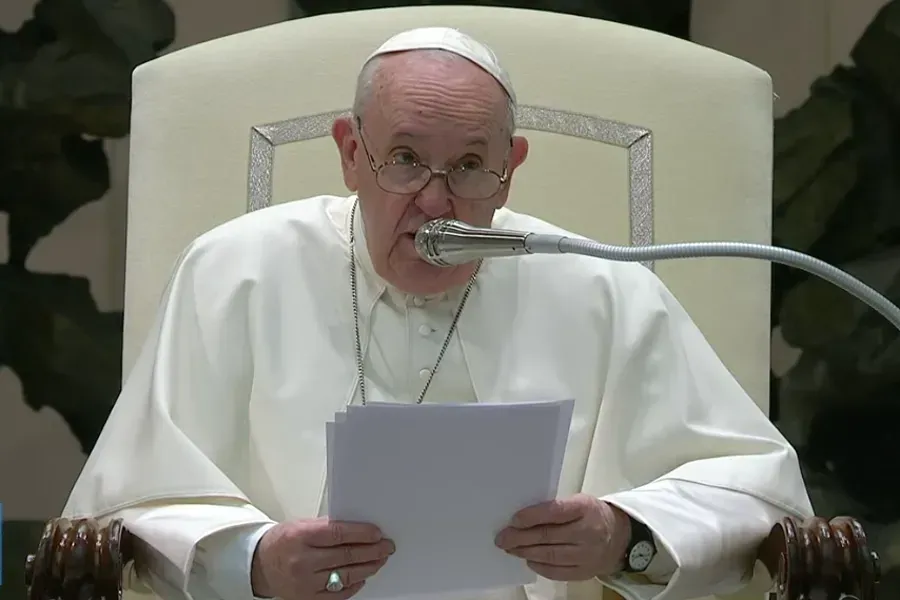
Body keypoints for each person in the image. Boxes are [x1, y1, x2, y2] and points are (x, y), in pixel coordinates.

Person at [63, 26, 812, 600]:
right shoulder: (235, 270)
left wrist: (626, 539)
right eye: (404, 158)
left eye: (468, 167)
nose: (434, 199)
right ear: (351, 153)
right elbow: (132, 502)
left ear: (509, 169)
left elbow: (746, 482)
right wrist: (256, 561)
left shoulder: (595, 282)